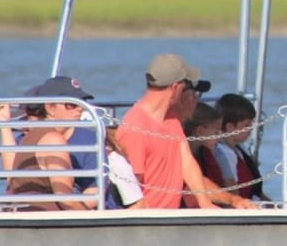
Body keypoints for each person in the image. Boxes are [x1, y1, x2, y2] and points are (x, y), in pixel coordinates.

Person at [115, 53, 253, 209]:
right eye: (186, 86)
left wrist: (205, 203)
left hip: (172, 218)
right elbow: (132, 188)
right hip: (152, 219)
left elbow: (186, 162)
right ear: (175, 87)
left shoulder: (171, 117)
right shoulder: (135, 126)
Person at [6, 77, 96, 211]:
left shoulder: (32, 135)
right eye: (71, 104)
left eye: (82, 103)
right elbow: (66, 200)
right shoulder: (53, 140)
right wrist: (90, 216)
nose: (79, 109)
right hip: (41, 217)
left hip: (26, 214)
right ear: (50, 108)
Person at [214, 93, 271, 201]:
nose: (251, 129)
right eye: (247, 125)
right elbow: (233, 193)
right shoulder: (225, 153)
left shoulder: (239, 149)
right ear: (230, 127)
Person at [182, 102, 225, 189]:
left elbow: (219, 182)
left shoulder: (205, 153)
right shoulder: (180, 156)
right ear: (200, 131)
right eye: (216, 132)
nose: (220, 137)